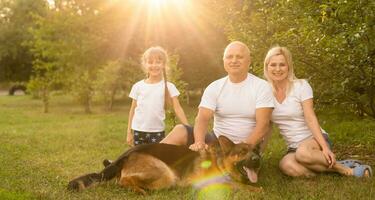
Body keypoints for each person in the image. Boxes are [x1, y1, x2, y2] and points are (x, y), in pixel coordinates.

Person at [161, 41, 274, 183]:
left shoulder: (261, 87)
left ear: (248, 61)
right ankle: (151, 158)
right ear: (224, 61)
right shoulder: (215, 87)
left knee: (227, 176)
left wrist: (241, 151)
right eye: (229, 57)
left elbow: (263, 125)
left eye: (239, 57)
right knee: (179, 130)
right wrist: (199, 142)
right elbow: (202, 118)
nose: (234, 60)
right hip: (218, 142)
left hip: (248, 147)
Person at [263, 46, 372, 177]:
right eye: (273, 65)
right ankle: (337, 166)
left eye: (282, 64)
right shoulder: (264, 92)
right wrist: (259, 152)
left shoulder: (301, 86)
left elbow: (310, 117)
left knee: (303, 154)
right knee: (286, 165)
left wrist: (325, 148)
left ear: (289, 67)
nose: (278, 69)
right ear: (267, 67)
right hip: (293, 147)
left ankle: (348, 171)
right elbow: (267, 125)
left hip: (314, 140)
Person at [126, 46, 189, 146]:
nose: (154, 65)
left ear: (163, 64)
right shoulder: (138, 86)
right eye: (150, 62)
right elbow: (132, 110)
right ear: (145, 65)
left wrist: (188, 128)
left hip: (157, 132)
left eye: (158, 62)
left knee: (156, 159)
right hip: (138, 131)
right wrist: (129, 132)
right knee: (139, 159)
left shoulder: (169, 86)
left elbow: (177, 108)